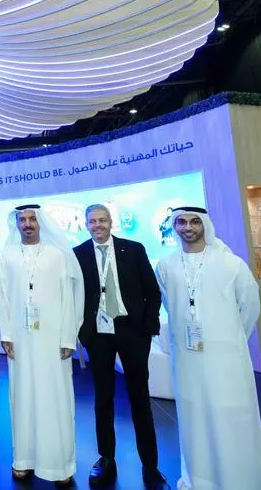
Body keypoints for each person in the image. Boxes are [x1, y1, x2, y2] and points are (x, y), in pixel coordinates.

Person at [155, 207, 261, 490]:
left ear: (205, 225)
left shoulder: (231, 263)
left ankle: (239, 481)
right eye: (181, 222)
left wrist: (229, 339)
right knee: (195, 418)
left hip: (226, 359)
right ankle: (201, 480)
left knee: (232, 418)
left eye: (195, 222)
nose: (188, 227)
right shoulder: (166, 266)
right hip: (188, 359)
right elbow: (171, 306)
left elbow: (250, 307)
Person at [73, 205, 168, 489]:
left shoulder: (134, 249)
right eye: (92, 221)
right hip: (98, 335)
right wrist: (83, 332)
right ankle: (106, 458)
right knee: (103, 398)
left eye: (102, 220)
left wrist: (148, 327)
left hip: (132, 332)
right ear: (86, 224)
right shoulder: (77, 254)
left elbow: (152, 291)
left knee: (139, 397)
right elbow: (73, 295)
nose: (97, 225)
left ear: (111, 222)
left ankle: (150, 463)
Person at [0, 204, 84, 485]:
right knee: (22, 397)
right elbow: (4, 298)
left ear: (40, 222)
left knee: (55, 398)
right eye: (22, 219)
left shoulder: (57, 254)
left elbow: (69, 297)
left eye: (32, 219)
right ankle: (24, 459)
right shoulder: (8, 254)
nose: (27, 224)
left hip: (52, 339)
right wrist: (6, 335)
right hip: (20, 340)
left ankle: (59, 464)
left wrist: (68, 337)